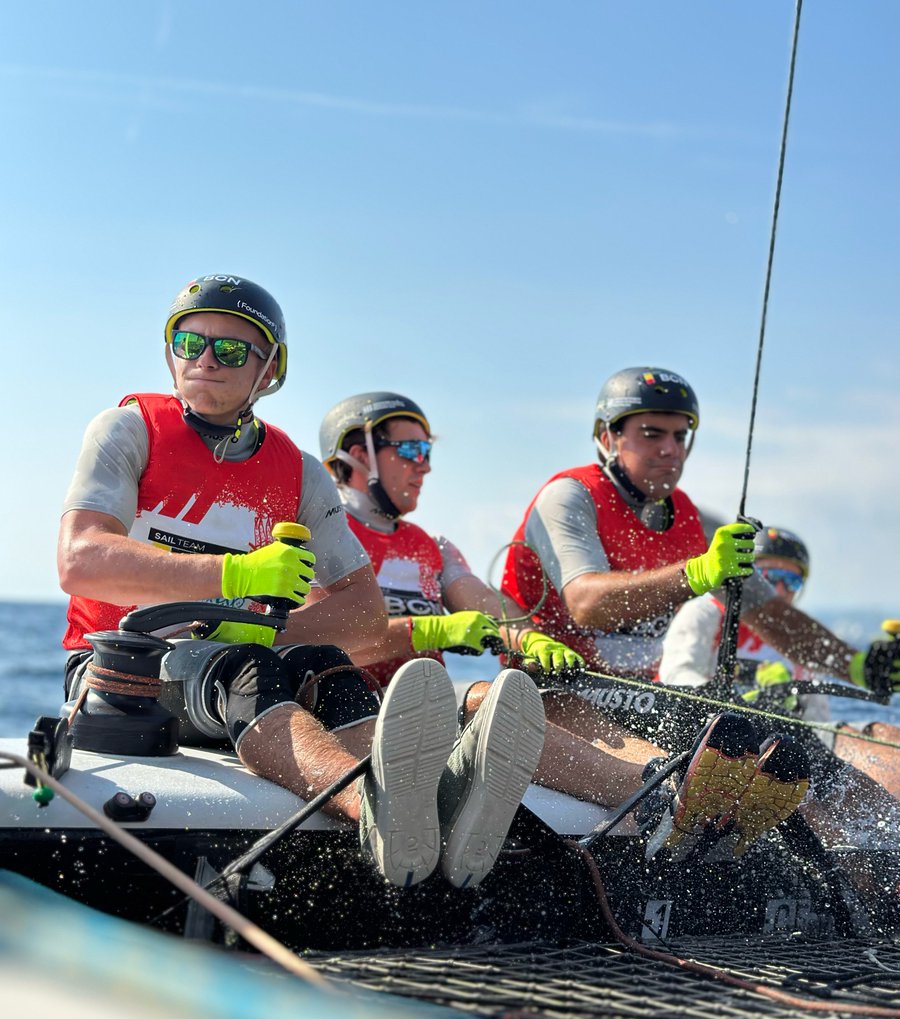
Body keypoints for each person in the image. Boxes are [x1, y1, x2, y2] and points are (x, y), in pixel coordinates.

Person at [56, 274, 547, 892]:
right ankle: (377, 813)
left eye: (230, 349)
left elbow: (363, 616)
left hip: (225, 660)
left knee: (323, 663)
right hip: (117, 673)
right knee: (247, 670)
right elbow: (80, 559)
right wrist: (233, 576)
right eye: (189, 341)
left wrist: (258, 622)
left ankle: (436, 802)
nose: (204, 359)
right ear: (170, 351)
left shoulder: (301, 474)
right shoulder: (128, 430)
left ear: (268, 372)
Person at [315, 390, 811, 860]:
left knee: (532, 696)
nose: (425, 463)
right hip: (344, 708)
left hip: (422, 711)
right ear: (358, 454)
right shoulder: (325, 532)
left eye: (426, 449)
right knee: (496, 699)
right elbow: (325, 641)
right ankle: (657, 793)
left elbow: (493, 609)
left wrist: (531, 640)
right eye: (410, 449)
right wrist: (429, 633)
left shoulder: (436, 548)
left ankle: (679, 794)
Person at [500, 366, 900, 846]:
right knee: (728, 739)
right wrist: (696, 573)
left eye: (679, 435)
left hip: (644, 698)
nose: (670, 449)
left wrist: (856, 665)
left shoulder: (690, 518)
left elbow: (771, 616)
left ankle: (858, 866)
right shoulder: (569, 496)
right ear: (607, 436)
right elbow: (585, 602)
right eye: (651, 434)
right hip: (557, 693)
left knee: (786, 750)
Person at [660, 526, 900, 797]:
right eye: (770, 577)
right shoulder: (707, 612)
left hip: (791, 737)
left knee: (886, 734)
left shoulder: (797, 635)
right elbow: (676, 677)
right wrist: (745, 690)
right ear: (751, 578)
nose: (781, 589)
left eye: (792, 581)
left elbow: (816, 721)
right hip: (722, 738)